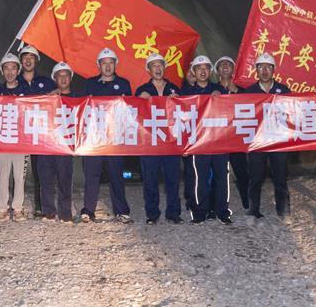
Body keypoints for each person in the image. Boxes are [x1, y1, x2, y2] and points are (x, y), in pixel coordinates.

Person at [80, 48, 133, 224]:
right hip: (94, 138)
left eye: (111, 62)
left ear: (115, 64)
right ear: (98, 65)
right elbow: (82, 108)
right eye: (104, 62)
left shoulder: (124, 84)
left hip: (114, 138)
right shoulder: (89, 84)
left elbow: (131, 110)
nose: (108, 66)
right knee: (91, 174)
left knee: (116, 175)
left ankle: (121, 211)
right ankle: (88, 210)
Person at [180, 55, 231, 224]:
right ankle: (200, 212)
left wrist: (222, 96)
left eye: (206, 68)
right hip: (199, 144)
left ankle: (222, 211)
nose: (203, 71)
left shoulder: (219, 90)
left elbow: (231, 111)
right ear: (193, 72)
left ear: (210, 71)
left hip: (219, 143)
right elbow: (179, 117)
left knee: (222, 178)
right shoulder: (187, 93)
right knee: (199, 179)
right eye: (199, 68)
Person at [135, 53, 184, 224]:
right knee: (150, 180)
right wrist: (141, 101)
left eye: (160, 65)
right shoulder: (142, 90)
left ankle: (173, 213)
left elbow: (185, 113)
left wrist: (177, 101)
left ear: (165, 67)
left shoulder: (175, 89)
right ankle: (152, 214)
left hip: (171, 142)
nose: (158, 68)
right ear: (148, 69)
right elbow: (137, 115)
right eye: (154, 66)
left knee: (173, 179)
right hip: (151, 143)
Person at [243, 52, 291, 219]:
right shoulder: (249, 92)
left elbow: (292, 113)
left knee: (280, 176)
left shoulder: (283, 90)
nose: (264, 70)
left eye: (268, 67)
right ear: (256, 70)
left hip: (278, 141)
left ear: (273, 70)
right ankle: (253, 208)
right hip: (257, 141)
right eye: (261, 67)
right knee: (255, 177)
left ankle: (283, 209)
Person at [0, 53, 30, 221]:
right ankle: (2, 208)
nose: (10, 72)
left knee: (19, 175)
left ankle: (18, 208)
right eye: (6, 68)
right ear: (2, 71)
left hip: (20, 139)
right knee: (3, 174)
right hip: (2, 138)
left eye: (13, 68)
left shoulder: (26, 90)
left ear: (18, 70)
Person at [18, 45, 57, 217]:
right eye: (25, 57)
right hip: (19, 133)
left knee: (41, 171)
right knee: (19, 172)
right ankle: (13, 206)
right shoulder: (13, 81)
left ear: (36, 60)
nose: (28, 60)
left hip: (41, 134)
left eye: (31, 57)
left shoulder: (47, 82)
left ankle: (41, 205)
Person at [38, 61, 77, 222]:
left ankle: (65, 212)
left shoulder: (77, 99)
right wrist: (47, 99)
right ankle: (48, 211)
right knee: (46, 179)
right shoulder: (48, 98)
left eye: (66, 75)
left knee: (65, 179)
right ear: (55, 78)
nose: (63, 78)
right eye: (59, 76)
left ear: (70, 78)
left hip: (65, 146)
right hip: (47, 144)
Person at [214, 55, 249, 211]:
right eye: (222, 65)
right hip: (218, 139)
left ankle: (248, 203)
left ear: (233, 69)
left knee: (242, 172)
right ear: (217, 71)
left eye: (228, 64)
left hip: (236, 138)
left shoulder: (243, 91)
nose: (225, 66)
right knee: (219, 174)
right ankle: (218, 206)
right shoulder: (212, 90)